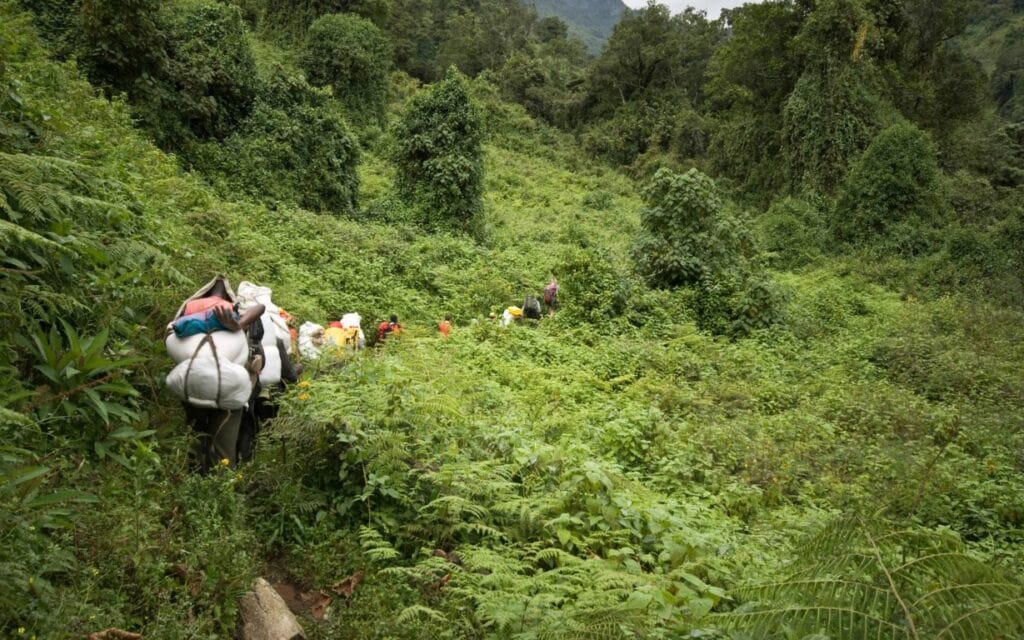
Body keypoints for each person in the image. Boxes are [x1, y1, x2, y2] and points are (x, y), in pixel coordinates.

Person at [166, 276, 264, 474]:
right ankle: (222, 486)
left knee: (194, 432)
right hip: (229, 390)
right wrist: (239, 325)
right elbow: (260, 308)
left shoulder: (188, 313)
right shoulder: (230, 312)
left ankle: (192, 477)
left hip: (192, 383)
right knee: (223, 447)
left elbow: (170, 332)